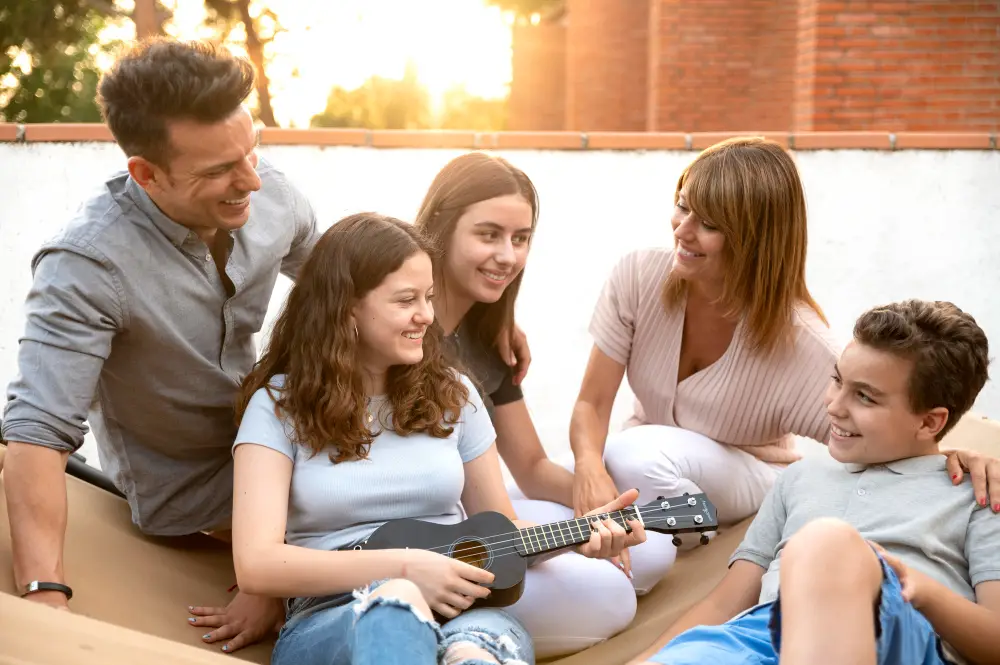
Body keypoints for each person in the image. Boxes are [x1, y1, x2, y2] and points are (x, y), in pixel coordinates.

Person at [568, 136, 1000, 595]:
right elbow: (592, 404)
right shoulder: (638, 276)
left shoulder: (805, 343)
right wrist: (589, 468)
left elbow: (894, 430)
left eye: (709, 223)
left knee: (635, 453)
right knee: (538, 496)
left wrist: (960, 455)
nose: (682, 229)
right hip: (643, 472)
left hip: (744, 481)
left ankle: (677, 543)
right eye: (682, 206)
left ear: (755, 238)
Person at [0, 38, 319, 651]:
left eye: (252, 151)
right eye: (218, 171)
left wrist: (479, 323)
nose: (250, 179)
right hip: (196, 498)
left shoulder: (267, 189)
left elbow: (351, 294)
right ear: (145, 173)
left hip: (287, 455)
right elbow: (37, 434)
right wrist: (44, 599)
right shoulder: (86, 265)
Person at [229, 212, 645, 665]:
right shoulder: (277, 406)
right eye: (406, 299)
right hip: (335, 613)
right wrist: (403, 571)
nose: (426, 315)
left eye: (428, 297)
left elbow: (498, 530)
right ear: (345, 307)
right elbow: (257, 563)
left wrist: (579, 534)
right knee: (397, 605)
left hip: (463, 609)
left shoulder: (454, 395)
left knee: (482, 647)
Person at [631, 299, 1000, 665]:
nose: (835, 406)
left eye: (865, 397)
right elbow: (724, 602)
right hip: (761, 636)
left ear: (929, 423)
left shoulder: (979, 491)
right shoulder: (800, 477)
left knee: (826, 541)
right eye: (837, 380)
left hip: (896, 634)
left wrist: (924, 592)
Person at [414, 152, 640, 658]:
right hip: (428, 541)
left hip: (478, 517)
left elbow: (533, 467)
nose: (508, 256)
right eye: (489, 234)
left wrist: (601, 503)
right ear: (442, 229)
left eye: (521, 238)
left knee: (650, 548)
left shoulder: (486, 339)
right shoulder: (402, 331)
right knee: (613, 594)